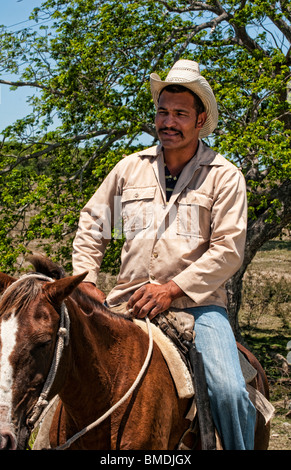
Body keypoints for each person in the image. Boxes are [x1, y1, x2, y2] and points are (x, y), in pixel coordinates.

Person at [72, 59, 256, 450]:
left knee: (227, 391)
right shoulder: (129, 169)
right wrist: (87, 280)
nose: (168, 122)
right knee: (63, 375)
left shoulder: (224, 176)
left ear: (200, 119)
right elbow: (93, 223)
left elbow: (227, 250)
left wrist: (172, 289)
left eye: (180, 114)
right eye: (162, 111)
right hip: (126, 302)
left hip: (197, 308)